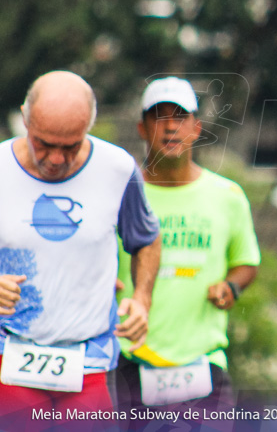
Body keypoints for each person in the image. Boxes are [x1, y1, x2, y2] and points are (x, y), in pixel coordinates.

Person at [0, 70, 161, 425]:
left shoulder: (117, 169)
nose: (56, 159)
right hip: (9, 354)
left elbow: (146, 238)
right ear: (25, 117)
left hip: (90, 361)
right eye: (43, 143)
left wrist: (143, 299)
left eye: (70, 145)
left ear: (90, 124)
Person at [113, 77, 261, 421]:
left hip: (204, 363)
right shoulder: (119, 195)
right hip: (129, 360)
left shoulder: (228, 196)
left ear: (197, 128)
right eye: (158, 117)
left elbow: (247, 262)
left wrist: (231, 287)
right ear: (141, 127)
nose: (170, 128)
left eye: (180, 117)